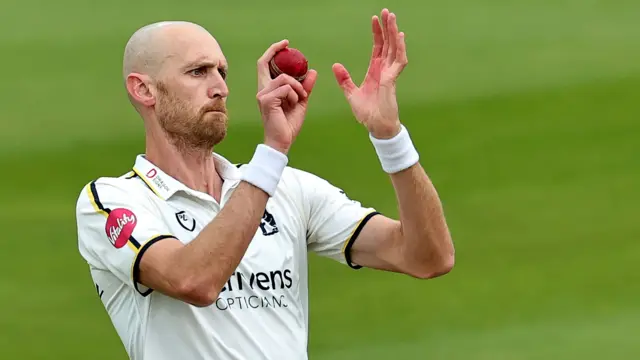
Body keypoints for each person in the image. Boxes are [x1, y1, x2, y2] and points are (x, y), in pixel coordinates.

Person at [75, 8, 454, 360]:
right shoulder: (112, 201)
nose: (220, 88)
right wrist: (273, 152)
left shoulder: (289, 189)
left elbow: (427, 257)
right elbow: (193, 280)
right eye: (198, 72)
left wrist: (389, 137)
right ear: (144, 90)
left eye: (221, 72)